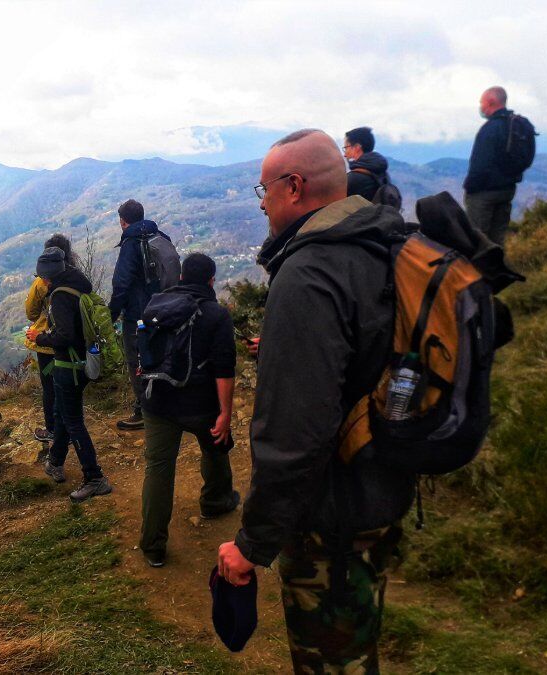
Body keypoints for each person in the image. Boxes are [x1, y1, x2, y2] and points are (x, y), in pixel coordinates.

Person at [217, 129, 414, 673]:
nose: (262, 207)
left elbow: (294, 432)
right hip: (382, 488)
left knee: (331, 660)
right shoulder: (382, 244)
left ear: (294, 187)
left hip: (332, 516)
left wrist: (253, 542)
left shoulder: (308, 274)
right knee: (355, 643)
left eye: (264, 192)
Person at [139, 253, 239, 568]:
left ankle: (153, 545)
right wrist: (225, 413)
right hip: (200, 403)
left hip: (157, 401)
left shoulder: (156, 305)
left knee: (158, 467)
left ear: (182, 277)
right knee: (216, 447)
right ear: (211, 280)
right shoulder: (216, 314)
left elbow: (144, 351)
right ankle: (215, 501)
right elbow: (224, 370)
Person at [26, 246, 113, 502]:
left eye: (41, 275)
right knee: (63, 413)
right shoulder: (78, 286)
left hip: (68, 366)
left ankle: (95, 477)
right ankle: (55, 461)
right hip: (81, 363)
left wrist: (39, 336)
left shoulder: (61, 296)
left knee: (73, 420)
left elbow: (65, 335)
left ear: (46, 276)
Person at [108, 198, 175, 431]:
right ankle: (165, 404)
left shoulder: (131, 244)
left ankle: (143, 410)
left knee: (136, 360)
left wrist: (111, 314)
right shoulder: (161, 237)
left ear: (123, 222)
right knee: (160, 356)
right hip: (164, 310)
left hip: (137, 316)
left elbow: (121, 284)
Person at [24, 234, 79, 444]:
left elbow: (30, 312)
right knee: (68, 386)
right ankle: (71, 426)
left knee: (50, 389)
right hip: (72, 343)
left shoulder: (42, 282)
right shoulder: (76, 276)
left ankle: (53, 430)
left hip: (47, 343)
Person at [464, 86, 530, 246]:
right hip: (507, 190)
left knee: (477, 238)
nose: (481, 107)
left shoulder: (490, 129)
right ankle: (497, 269)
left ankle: (478, 270)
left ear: (491, 103)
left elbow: (480, 164)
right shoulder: (518, 125)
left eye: (482, 103)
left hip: (483, 193)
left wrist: (470, 187)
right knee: (498, 238)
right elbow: (527, 157)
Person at [343, 127, 391, 202]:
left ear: (357, 147)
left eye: (346, 148)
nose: (345, 154)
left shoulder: (353, 179)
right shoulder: (383, 174)